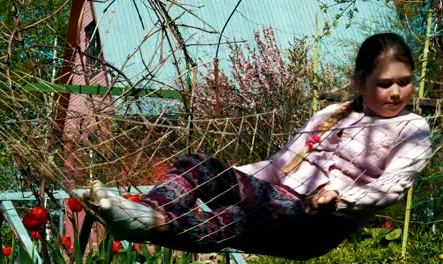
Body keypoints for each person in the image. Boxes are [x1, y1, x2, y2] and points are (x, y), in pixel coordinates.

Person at [83, 32, 432, 260]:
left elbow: (393, 186)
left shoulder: (412, 128)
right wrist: (230, 178)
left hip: (320, 223)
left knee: (247, 216)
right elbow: (278, 166)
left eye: (405, 82)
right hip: (277, 195)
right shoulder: (333, 113)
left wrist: (341, 196)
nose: (397, 92)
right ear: (361, 81)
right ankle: (139, 214)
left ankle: (155, 223)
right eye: (385, 84)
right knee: (197, 164)